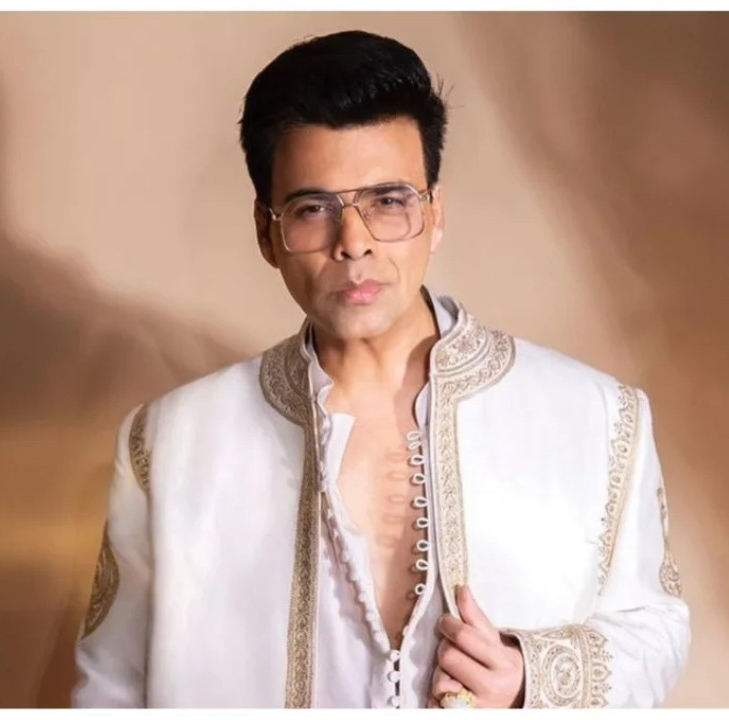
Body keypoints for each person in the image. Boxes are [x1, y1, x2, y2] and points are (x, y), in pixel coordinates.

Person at [71, 29, 690, 709]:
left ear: (435, 213)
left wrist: (529, 676)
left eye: (388, 202)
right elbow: (110, 688)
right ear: (267, 232)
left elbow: (656, 627)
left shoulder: (594, 417)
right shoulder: (170, 443)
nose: (354, 243)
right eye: (313, 209)